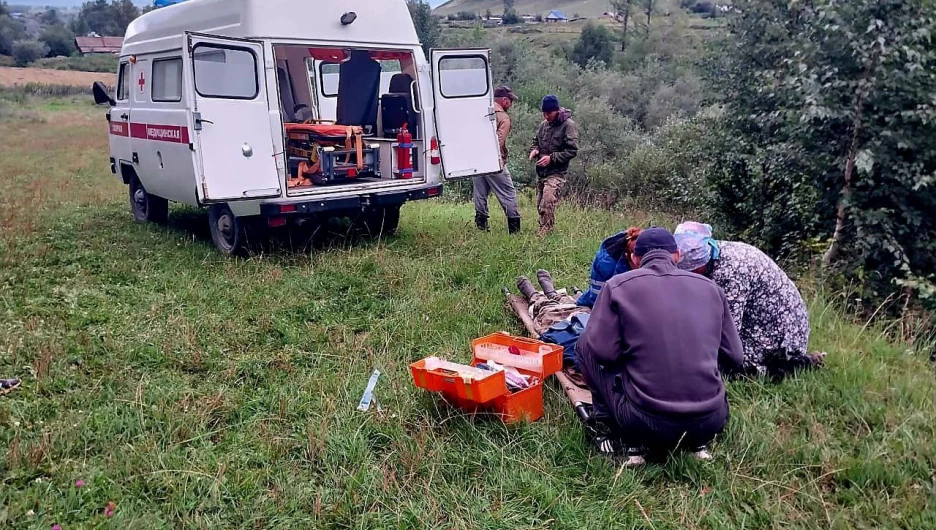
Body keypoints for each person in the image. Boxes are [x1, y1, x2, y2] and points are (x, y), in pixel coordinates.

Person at [576, 228, 743, 465]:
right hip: (711, 420)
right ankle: (697, 441)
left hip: (642, 420)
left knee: (584, 343)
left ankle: (609, 425)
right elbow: (735, 357)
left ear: (635, 258)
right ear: (677, 255)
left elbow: (604, 353)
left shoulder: (617, 286)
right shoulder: (711, 289)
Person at [674, 222, 823, 379]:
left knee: (718, 369)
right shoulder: (713, 251)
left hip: (779, 333)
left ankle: (792, 365)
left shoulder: (730, 273)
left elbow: (727, 332)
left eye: (691, 272)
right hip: (758, 318)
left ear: (699, 265)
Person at [474, 86, 521, 234]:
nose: (511, 105)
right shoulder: (504, 118)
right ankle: (514, 230)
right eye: (510, 101)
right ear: (505, 100)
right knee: (508, 192)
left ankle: (481, 227)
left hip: (476, 159)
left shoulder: (479, 111)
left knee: (480, 193)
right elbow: (498, 142)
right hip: (493, 161)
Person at [529, 95, 578, 236]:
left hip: (557, 172)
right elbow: (535, 140)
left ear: (556, 110)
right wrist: (535, 150)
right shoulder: (543, 125)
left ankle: (546, 231)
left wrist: (551, 158)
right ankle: (545, 228)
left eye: (549, 113)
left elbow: (572, 150)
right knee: (540, 204)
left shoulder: (568, 125)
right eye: (543, 113)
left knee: (548, 200)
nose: (546, 116)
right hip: (542, 171)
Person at [577, 227, 642, 308]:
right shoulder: (605, 264)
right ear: (629, 255)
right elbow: (598, 302)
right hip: (597, 302)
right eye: (640, 262)